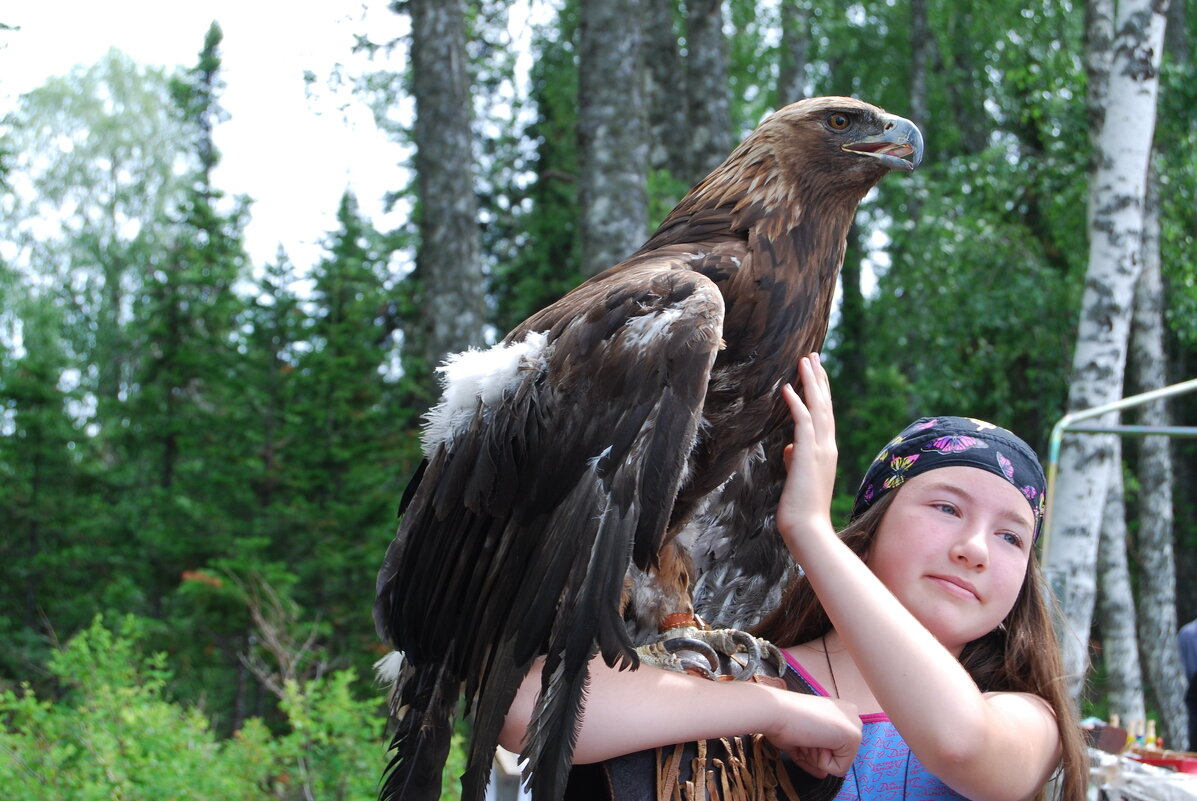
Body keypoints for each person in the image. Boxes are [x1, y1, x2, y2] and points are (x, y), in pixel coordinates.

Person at [501, 353, 1087, 801]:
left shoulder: (1028, 718)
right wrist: (771, 711)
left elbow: (961, 742)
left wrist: (809, 529)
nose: (975, 549)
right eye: (946, 508)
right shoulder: (747, 668)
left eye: (1012, 536)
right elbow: (527, 709)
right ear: (871, 529)